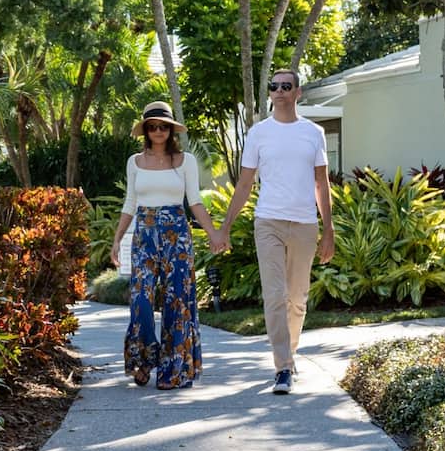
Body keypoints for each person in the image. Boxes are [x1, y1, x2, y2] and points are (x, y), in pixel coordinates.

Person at [213, 69, 333, 395]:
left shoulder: (314, 133)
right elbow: (244, 184)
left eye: (286, 86)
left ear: (297, 92)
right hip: (268, 221)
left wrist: (329, 229)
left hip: (305, 224)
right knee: (275, 294)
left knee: (297, 298)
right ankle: (282, 367)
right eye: (274, 86)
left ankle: (289, 354)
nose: (279, 90)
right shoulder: (258, 133)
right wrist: (224, 227)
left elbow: (321, 183)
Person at [109, 101, 210, 389]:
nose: (158, 131)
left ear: (170, 129)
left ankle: (172, 371)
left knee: (177, 300)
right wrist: (117, 238)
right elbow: (130, 202)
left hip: (177, 232)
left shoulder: (185, 161)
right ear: (145, 130)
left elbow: (194, 201)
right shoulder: (134, 162)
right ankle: (144, 360)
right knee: (140, 299)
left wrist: (214, 233)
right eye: (152, 126)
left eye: (163, 126)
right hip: (144, 234)